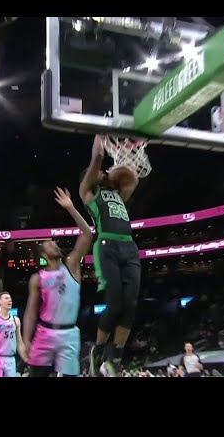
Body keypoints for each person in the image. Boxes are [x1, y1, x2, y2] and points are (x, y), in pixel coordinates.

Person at [79, 135, 141, 377]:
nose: (104, 172)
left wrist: (127, 158)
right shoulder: (88, 194)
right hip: (107, 246)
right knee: (115, 304)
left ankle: (114, 358)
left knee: (131, 305)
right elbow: (95, 163)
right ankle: (98, 350)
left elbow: (132, 181)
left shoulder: (118, 194)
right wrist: (98, 152)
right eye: (100, 172)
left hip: (129, 247)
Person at [22, 187, 92, 377]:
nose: (55, 244)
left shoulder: (71, 265)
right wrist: (26, 339)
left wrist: (70, 207)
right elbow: (30, 312)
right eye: (50, 245)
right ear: (44, 255)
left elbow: (87, 234)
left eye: (54, 243)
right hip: (44, 332)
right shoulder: (38, 278)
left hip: (69, 334)